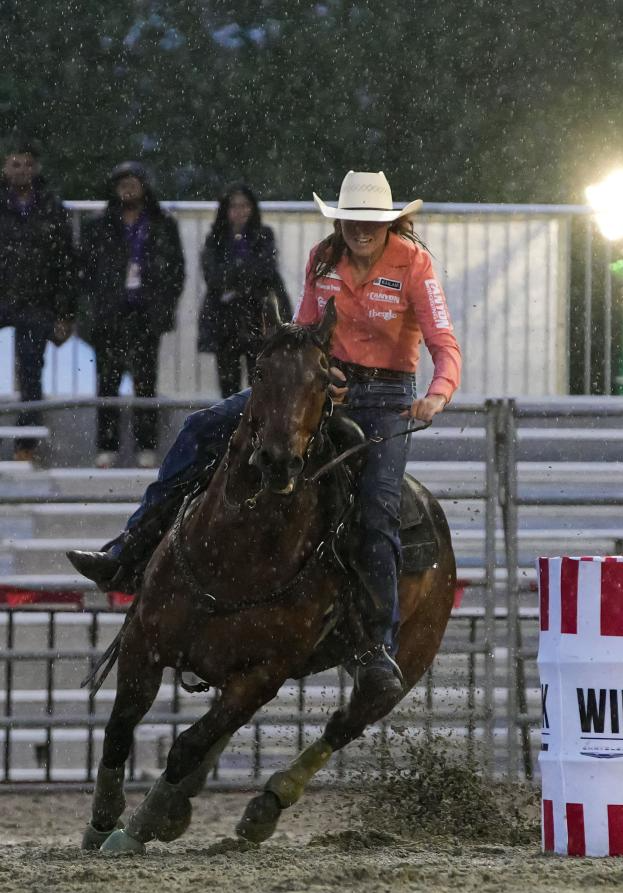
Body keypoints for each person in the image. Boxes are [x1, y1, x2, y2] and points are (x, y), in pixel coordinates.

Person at [68, 170, 461, 695]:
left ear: (389, 223)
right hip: (320, 385)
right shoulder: (323, 260)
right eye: (352, 219)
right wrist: (314, 370)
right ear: (340, 221)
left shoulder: (414, 264)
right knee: (202, 429)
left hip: (386, 399)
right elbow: (302, 330)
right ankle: (130, 549)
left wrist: (437, 394)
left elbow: (443, 342)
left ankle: (377, 646)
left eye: (371, 221)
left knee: (376, 507)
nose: (361, 229)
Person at [81, 161, 185, 468]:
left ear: (144, 187)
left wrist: (163, 305)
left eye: (133, 183)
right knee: (108, 380)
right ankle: (106, 446)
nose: (128, 190)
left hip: (145, 312)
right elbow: (85, 270)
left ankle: (146, 445)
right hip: (111, 312)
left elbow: (176, 270)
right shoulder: (100, 225)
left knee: (145, 380)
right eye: (122, 184)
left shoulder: (161, 224)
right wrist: (95, 307)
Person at [0, 138, 77, 461]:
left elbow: (66, 263)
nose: (22, 171)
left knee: (31, 372)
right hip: (4, 295)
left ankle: (26, 446)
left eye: (28, 164)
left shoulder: (51, 208)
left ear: (37, 168)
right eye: (15, 164)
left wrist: (65, 312)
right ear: (5, 167)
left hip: (37, 300)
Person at [198, 183, 292, 397]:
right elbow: (213, 276)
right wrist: (243, 273)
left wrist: (234, 277)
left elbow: (264, 270)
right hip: (225, 322)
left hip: (256, 318)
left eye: (245, 205)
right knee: (227, 386)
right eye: (234, 206)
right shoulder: (216, 238)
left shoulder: (264, 235)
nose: (239, 211)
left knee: (258, 385)